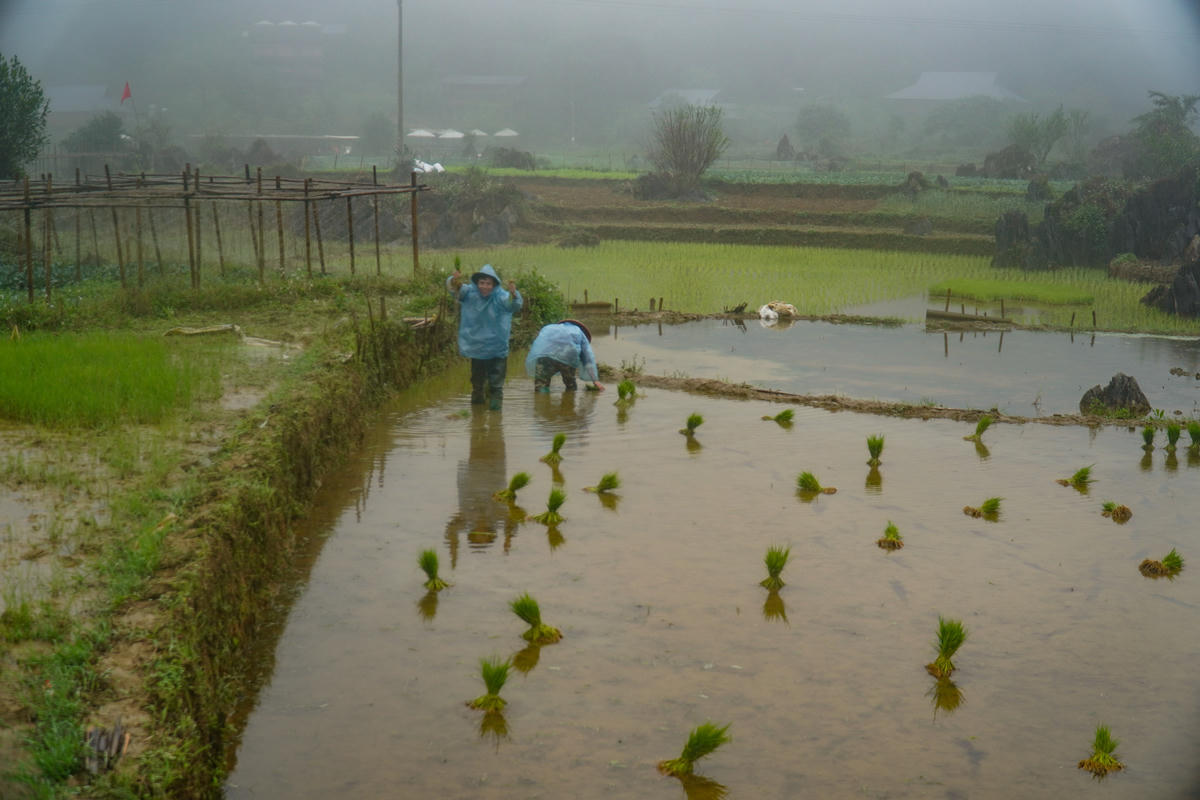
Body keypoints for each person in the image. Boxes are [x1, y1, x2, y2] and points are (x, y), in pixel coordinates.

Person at [447, 264, 522, 410]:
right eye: (482, 283)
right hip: (478, 348)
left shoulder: (500, 297)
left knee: (496, 385)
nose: (485, 287)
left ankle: (495, 419)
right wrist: (453, 280)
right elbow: (453, 290)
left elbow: (513, 306)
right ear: (477, 283)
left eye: (488, 284)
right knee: (477, 383)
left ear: (494, 285)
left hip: (497, 348)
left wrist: (514, 295)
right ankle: (477, 417)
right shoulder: (469, 294)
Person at [525, 319, 605, 393]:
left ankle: (542, 402)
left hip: (544, 356)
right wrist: (595, 380)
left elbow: (539, 344)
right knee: (570, 385)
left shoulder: (550, 328)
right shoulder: (579, 332)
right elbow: (588, 357)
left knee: (541, 385)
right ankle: (568, 403)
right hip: (568, 357)